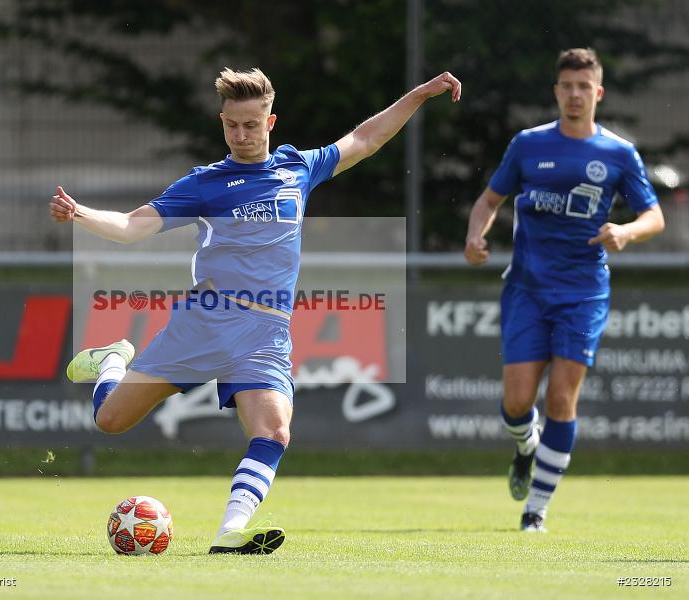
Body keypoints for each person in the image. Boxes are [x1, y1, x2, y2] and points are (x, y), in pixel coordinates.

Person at [52, 67, 461, 553]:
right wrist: (80, 213)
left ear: (271, 122)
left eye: (251, 124)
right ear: (221, 122)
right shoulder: (205, 183)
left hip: (266, 332)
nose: (241, 135)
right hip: (204, 323)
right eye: (231, 125)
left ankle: (229, 532)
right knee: (110, 422)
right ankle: (112, 361)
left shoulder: (298, 168)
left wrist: (418, 93)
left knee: (274, 430)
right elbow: (131, 226)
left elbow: (366, 139)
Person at [464, 48, 665, 532]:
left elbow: (654, 216)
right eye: (566, 86)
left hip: (583, 292)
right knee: (517, 403)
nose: (575, 94)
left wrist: (625, 232)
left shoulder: (618, 153)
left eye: (583, 87)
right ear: (556, 91)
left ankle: (535, 510)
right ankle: (525, 448)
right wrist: (475, 235)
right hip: (527, 289)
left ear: (597, 93)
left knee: (560, 401)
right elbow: (490, 200)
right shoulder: (529, 145)